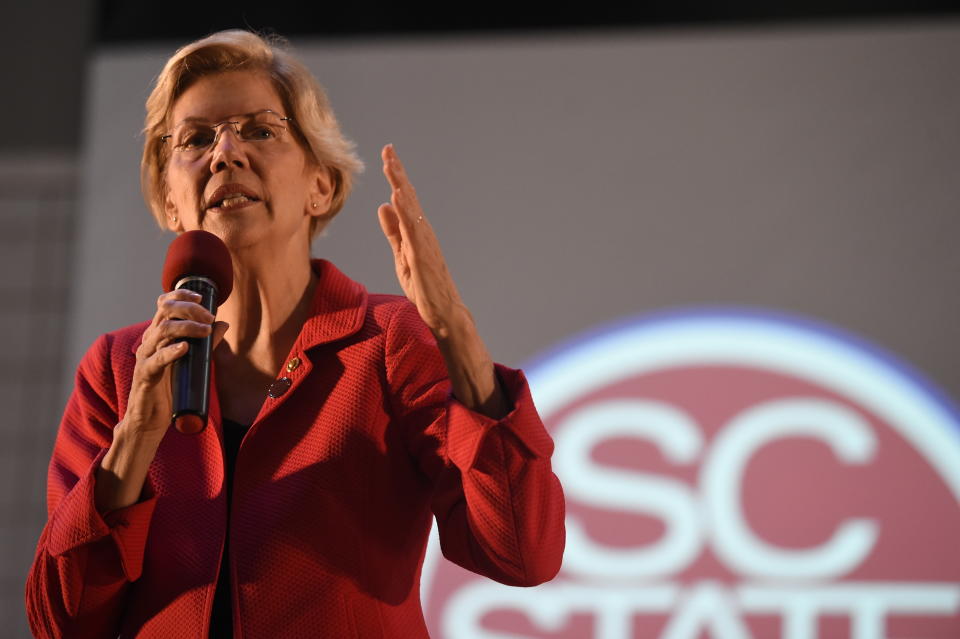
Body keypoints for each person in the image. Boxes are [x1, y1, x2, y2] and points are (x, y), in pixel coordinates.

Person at [24, 30, 565, 638]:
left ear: (320, 185)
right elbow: (60, 622)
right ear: (170, 202)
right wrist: (135, 440)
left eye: (260, 130)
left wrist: (456, 336)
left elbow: (521, 552)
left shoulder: (387, 343)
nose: (225, 154)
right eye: (196, 139)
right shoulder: (118, 368)